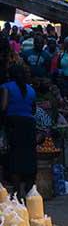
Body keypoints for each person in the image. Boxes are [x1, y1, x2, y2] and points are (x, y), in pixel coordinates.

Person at [0, 64, 37, 198]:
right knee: (28, 155)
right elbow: (33, 109)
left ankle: (16, 191)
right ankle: (28, 189)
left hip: (13, 123)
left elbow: (3, 107)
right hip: (29, 124)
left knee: (14, 156)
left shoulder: (6, 87)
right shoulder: (31, 90)